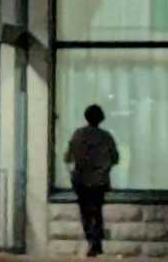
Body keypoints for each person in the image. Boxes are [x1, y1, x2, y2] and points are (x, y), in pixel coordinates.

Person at [63, 104, 119, 257]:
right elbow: (115, 158)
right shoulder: (106, 137)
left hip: (81, 180)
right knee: (96, 210)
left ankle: (91, 240)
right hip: (99, 181)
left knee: (85, 212)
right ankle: (96, 242)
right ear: (101, 118)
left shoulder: (78, 134)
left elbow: (68, 157)